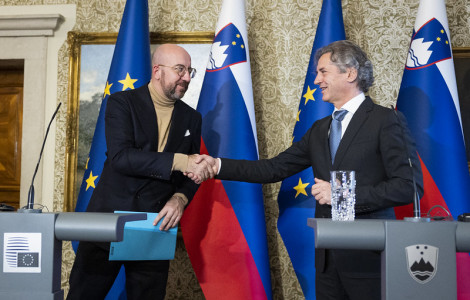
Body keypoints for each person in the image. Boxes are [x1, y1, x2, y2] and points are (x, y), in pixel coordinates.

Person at [188, 40, 423, 300]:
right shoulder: (320, 129)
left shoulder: (385, 120)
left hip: (369, 260)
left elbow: (408, 186)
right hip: (327, 260)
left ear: (350, 73)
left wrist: (341, 195)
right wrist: (216, 165)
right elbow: (272, 168)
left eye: (323, 71)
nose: (317, 80)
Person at [67, 44, 215, 300]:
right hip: (106, 223)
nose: (188, 77)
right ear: (157, 71)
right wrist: (181, 161)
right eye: (180, 70)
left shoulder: (192, 118)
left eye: (190, 71)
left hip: (154, 227)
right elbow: (121, 158)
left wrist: (180, 198)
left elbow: (192, 176)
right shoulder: (121, 103)